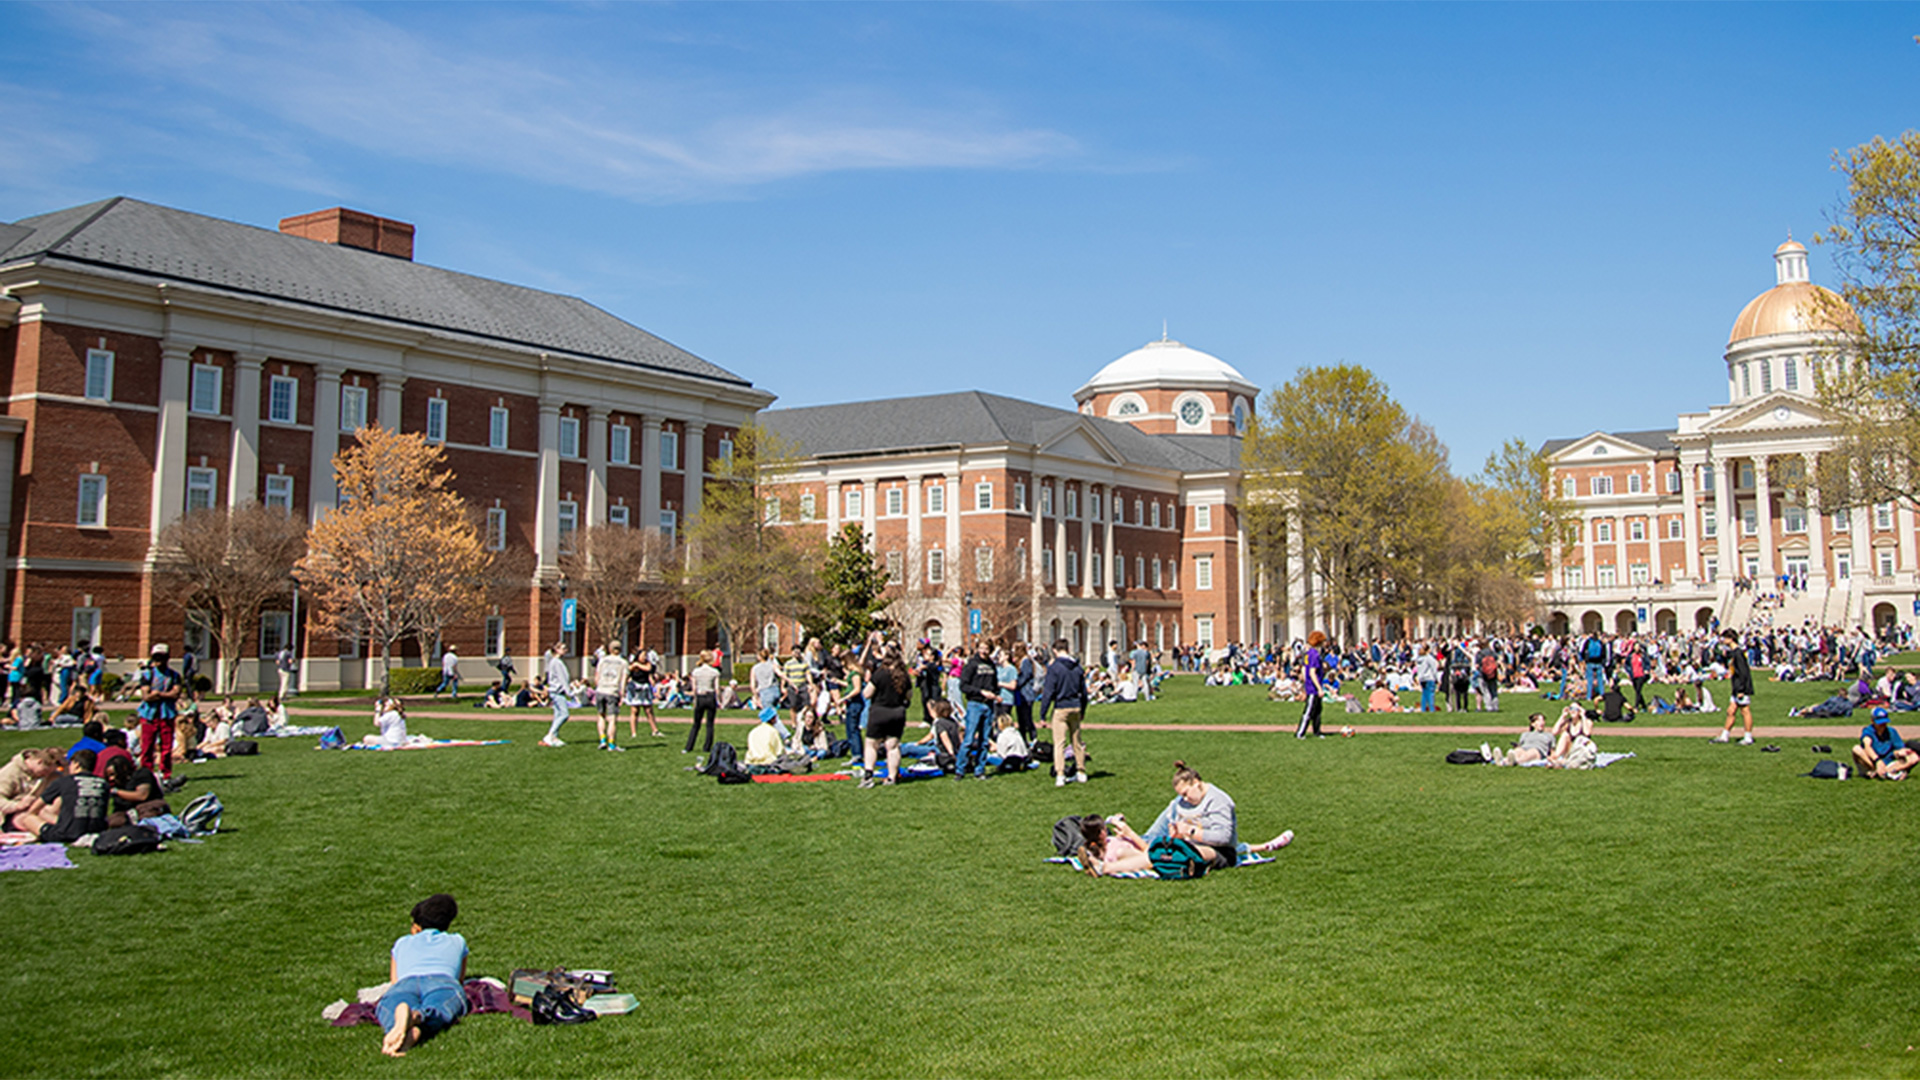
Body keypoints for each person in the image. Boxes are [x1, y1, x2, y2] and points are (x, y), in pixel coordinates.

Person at [376, 894, 469, 1058]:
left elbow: (394, 980)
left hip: (405, 983)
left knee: (392, 1004)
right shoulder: (457, 941)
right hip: (442, 982)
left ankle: (397, 1028)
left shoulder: (401, 942)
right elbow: (459, 980)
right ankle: (417, 1018)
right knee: (440, 1009)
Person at [15, 749, 110, 843]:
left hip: (67, 834)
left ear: (76, 764)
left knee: (28, 819)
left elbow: (35, 808)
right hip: (96, 831)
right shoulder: (104, 784)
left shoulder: (64, 782)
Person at [859, 645, 912, 788]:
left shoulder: (880, 674)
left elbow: (867, 693)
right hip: (897, 712)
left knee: (871, 744)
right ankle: (892, 777)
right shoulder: (904, 676)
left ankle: (869, 774)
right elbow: (909, 696)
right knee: (893, 746)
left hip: (879, 711)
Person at [1038, 639, 1089, 787]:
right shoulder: (1077, 667)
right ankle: (1081, 771)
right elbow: (1084, 692)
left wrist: (1043, 714)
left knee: (1059, 743)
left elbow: (1048, 691)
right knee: (1076, 741)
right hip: (1076, 706)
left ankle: (1060, 774)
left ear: (1055, 650)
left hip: (1061, 707)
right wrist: (1083, 710)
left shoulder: (1055, 668)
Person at [136, 643, 184, 787]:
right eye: (156, 658)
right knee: (147, 747)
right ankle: (146, 773)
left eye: (162, 658)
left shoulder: (174, 675)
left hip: (167, 715)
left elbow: (175, 693)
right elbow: (146, 696)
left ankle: (165, 773)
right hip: (149, 715)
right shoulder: (147, 675)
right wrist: (163, 695)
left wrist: (158, 694)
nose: (159, 661)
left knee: (166, 748)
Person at [957, 639, 1001, 779]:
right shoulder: (971, 665)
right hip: (975, 704)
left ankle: (979, 770)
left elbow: (994, 685)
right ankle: (960, 770)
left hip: (988, 705)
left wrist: (996, 695)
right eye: (981, 648)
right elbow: (963, 686)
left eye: (986, 649)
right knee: (969, 739)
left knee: (984, 740)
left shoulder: (992, 666)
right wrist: (980, 692)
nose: (983, 651)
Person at [0, 747, 62, 831]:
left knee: (59, 799)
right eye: (45, 771)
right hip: (12, 815)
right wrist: (17, 806)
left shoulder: (42, 773)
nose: (46, 775)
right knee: (38, 814)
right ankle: (63, 827)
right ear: (39, 762)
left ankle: (62, 826)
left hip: (37, 808)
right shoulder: (9, 774)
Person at [1712, 629, 1756, 745]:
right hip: (1735, 686)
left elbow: (1744, 673)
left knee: (1745, 711)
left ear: (1730, 639)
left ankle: (1748, 737)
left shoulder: (1738, 653)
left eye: (1725, 638)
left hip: (1741, 687)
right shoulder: (1734, 652)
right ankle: (1724, 736)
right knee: (1730, 711)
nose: (1723, 640)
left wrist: (1741, 690)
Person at [1853, 707, 1920, 780]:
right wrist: (1877, 761)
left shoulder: (1891, 732)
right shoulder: (1868, 731)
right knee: (1856, 749)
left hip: (1888, 761)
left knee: (1914, 757)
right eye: (1880, 723)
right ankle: (1878, 771)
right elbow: (1867, 746)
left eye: (1884, 722)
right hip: (1872, 762)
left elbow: (1899, 748)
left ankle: (1891, 771)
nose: (1882, 725)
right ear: (1872, 721)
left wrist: (1901, 752)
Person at [591, 642, 627, 752]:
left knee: (601, 715)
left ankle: (602, 740)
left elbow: (596, 677)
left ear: (610, 649)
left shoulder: (602, 660)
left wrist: (598, 687)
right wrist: (622, 693)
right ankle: (611, 744)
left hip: (601, 690)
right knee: (612, 719)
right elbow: (623, 679)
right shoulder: (623, 662)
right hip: (613, 691)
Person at [538, 642, 574, 748]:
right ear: (557, 650)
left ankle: (554, 737)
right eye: (563, 648)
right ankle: (550, 735)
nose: (565, 650)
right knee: (564, 714)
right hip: (558, 692)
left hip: (554, 691)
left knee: (558, 715)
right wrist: (569, 692)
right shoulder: (557, 662)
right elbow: (562, 678)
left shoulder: (554, 661)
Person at [685, 649, 721, 756]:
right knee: (710, 724)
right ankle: (707, 747)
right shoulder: (715, 672)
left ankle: (689, 746)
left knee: (696, 724)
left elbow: (694, 689)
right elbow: (717, 688)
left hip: (700, 696)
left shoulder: (696, 672)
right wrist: (718, 700)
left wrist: (695, 700)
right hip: (710, 696)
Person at [1489, 713, 1556, 766]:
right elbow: (1521, 745)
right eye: (1538, 720)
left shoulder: (1549, 735)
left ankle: (1511, 762)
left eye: (1543, 720)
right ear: (1533, 724)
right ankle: (1502, 760)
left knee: (1528, 754)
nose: (1541, 722)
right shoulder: (1525, 734)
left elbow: (1552, 751)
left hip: (1538, 750)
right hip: (1524, 748)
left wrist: (1552, 758)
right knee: (1518, 751)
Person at [1296, 631, 1328, 738]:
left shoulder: (1308, 653)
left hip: (1310, 684)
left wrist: (1305, 681)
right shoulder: (1314, 654)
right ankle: (1300, 732)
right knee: (1309, 710)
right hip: (1313, 687)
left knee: (1317, 710)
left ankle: (1317, 731)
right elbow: (1312, 672)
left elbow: (1304, 669)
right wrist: (1319, 688)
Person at [625, 649, 662, 739]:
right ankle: (633, 733)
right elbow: (628, 670)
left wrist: (654, 689)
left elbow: (648, 670)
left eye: (645, 655)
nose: (644, 657)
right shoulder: (633, 664)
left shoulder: (648, 664)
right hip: (635, 688)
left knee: (649, 711)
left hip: (645, 687)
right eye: (642, 655)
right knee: (634, 711)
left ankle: (655, 730)